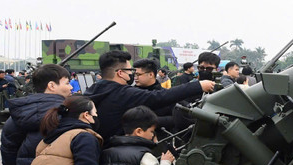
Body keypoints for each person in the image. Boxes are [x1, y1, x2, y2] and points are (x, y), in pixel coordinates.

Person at [85, 50, 213, 141]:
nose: (133, 75)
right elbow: (161, 96)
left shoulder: (93, 90)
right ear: (120, 73)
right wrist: (198, 86)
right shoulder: (124, 93)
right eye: (131, 71)